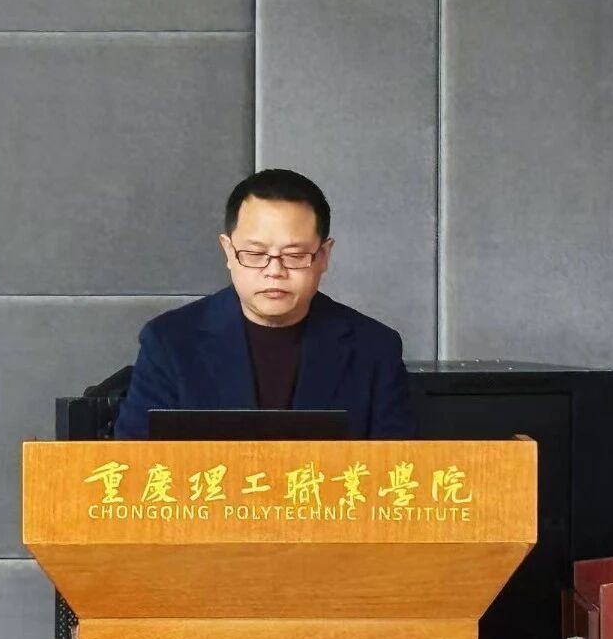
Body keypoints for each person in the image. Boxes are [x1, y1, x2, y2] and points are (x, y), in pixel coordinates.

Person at [112, 169, 416, 439]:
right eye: (255, 254)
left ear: (323, 256)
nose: (274, 270)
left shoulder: (374, 348)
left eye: (294, 255)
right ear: (228, 251)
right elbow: (135, 464)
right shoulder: (170, 342)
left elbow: (401, 468)